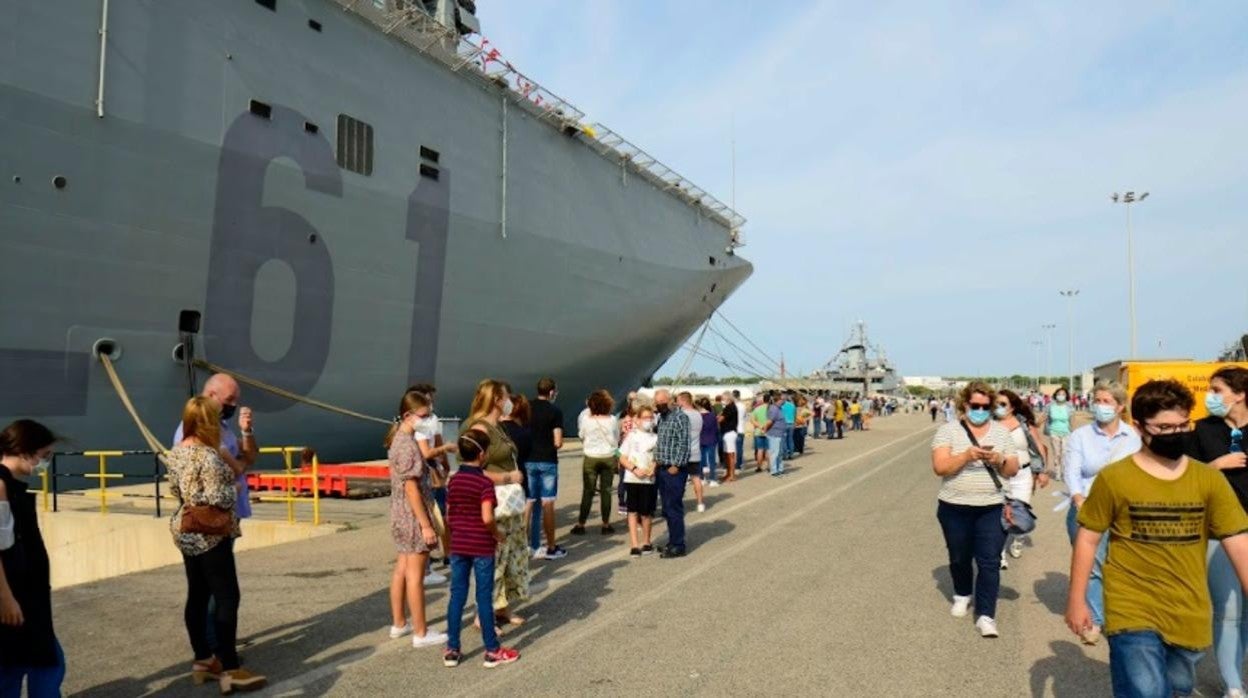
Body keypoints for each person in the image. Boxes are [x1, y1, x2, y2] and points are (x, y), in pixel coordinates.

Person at [1066, 379, 1248, 698]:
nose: (1175, 434)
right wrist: (1077, 599)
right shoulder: (1115, 478)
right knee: (1146, 690)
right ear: (1139, 428)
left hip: (1187, 608)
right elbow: (1088, 538)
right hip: (1130, 604)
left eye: (1182, 425)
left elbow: (1237, 541)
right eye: (1163, 428)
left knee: (1177, 684)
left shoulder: (1208, 480)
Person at [167, 397, 266, 693]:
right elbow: (218, 498)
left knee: (196, 594)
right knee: (227, 597)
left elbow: (175, 488)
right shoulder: (209, 457)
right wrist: (234, 488)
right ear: (209, 422)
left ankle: (202, 660)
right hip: (210, 534)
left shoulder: (177, 452)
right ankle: (231, 668)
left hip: (185, 529)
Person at [930, 381, 1020, 638]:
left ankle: (986, 614)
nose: (979, 410)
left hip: (991, 506)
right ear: (965, 405)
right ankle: (962, 592)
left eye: (984, 406)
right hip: (954, 506)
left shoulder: (1002, 433)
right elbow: (940, 467)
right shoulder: (948, 431)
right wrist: (966, 456)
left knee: (989, 561)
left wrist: (1000, 459)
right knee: (959, 556)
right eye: (974, 405)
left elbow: (1013, 468)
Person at [1186, 367, 1248, 696]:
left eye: (1217, 390)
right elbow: (1187, 479)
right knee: (1229, 611)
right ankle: (1234, 685)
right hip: (1219, 533)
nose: (1210, 396)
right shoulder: (1202, 430)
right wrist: (1216, 466)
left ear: (1239, 394)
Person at [1063, 381, 1140, 646]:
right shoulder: (1080, 436)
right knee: (1093, 566)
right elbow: (1072, 471)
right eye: (1097, 400)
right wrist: (1077, 498)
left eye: (1107, 401)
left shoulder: (1134, 437)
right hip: (1088, 509)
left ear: (1120, 406)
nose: (1101, 406)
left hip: (1124, 512)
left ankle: (1122, 614)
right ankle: (1095, 619)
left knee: (1120, 565)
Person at [442, 430, 520, 669]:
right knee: (484, 598)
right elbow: (487, 517)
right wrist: (497, 534)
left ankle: (452, 649)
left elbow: (447, 514)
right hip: (481, 546)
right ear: (482, 454)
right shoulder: (484, 482)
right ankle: (492, 650)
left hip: (459, 545)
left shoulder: (454, 480)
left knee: (457, 596)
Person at [0, 420, 63, 698]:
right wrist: (6, 599)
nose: (44, 463)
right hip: (17, 595)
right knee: (45, 665)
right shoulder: (1, 486)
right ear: (26, 451)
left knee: (16, 668)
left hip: (25, 593)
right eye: (44, 456)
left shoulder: (9, 484)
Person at [385, 389, 448, 648]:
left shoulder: (397, 440)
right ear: (408, 415)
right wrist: (425, 525)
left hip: (399, 513)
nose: (428, 419)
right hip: (412, 515)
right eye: (425, 415)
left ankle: (400, 623)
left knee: (402, 569)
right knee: (415, 574)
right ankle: (421, 632)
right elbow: (411, 488)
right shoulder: (408, 446)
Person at [466, 380, 530, 627]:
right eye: (505, 397)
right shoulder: (479, 429)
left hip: (509, 503)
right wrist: (507, 477)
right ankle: (483, 614)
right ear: (496, 399)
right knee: (493, 558)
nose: (509, 401)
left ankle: (502, 607)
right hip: (492, 502)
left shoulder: (498, 426)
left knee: (510, 556)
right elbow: (470, 469)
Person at [994, 389, 1048, 569]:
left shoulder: (1023, 424)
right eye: (996, 404)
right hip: (999, 476)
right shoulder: (990, 425)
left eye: (1003, 404)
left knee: (1019, 513)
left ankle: (1017, 539)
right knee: (999, 515)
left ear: (1012, 406)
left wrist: (1042, 471)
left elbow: (1037, 447)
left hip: (1022, 475)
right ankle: (999, 554)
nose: (998, 407)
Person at [410, 382, 454, 577]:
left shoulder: (412, 422)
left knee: (433, 516)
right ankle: (434, 563)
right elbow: (434, 447)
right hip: (428, 474)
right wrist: (445, 458)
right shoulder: (427, 421)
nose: (432, 403)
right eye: (429, 399)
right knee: (435, 516)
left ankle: (442, 556)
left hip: (429, 472)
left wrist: (444, 463)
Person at [525, 378, 567, 561]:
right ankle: (550, 546)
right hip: (547, 460)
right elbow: (558, 441)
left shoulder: (526, 408)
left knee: (529, 503)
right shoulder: (555, 411)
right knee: (547, 503)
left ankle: (527, 545)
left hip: (528, 459)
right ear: (551, 392)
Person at [573, 390, 620, 534]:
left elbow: (581, 435)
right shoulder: (612, 420)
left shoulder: (586, 420)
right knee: (606, 491)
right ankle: (606, 524)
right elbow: (616, 438)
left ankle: (581, 524)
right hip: (608, 457)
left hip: (591, 457)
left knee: (588, 491)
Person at [653, 390, 690, 558]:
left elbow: (684, 443)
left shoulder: (680, 417)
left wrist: (676, 465)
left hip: (674, 469)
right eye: (656, 402)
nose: (658, 405)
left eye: (661, 402)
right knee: (667, 508)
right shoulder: (662, 418)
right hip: (662, 469)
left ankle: (678, 544)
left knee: (674, 507)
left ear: (669, 401)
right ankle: (672, 540)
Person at [620, 406, 659, 557]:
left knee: (646, 512)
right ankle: (634, 544)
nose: (648, 421)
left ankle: (647, 541)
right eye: (645, 418)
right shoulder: (631, 436)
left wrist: (653, 468)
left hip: (649, 479)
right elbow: (621, 455)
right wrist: (634, 468)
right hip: (632, 478)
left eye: (650, 418)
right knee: (632, 511)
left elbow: (657, 457)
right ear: (638, 419)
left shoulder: (655, 437)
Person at [499, 392, 533, 552]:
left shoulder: (493, 430)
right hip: (518, 479)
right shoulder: (524, 432)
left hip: (495, 482)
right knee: (518, 521)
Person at [678, 392, 707, 513]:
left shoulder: (681, 415)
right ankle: (700, 503)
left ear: (683, 401)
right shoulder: (698, 414)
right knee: (696, 478)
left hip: (683, 452)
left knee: (680, 481)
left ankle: (678, 504)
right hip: (695, 451)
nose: (677, 403)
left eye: (678, 400)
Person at [1045, 387, 1073, 481]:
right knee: (1057, 454)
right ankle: (1058, 473)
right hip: (1054, 432)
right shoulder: (1050, 406)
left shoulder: (1069, 406)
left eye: (1063, 394)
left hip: (1066, 433)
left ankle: (1065, 473)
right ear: (1055, 395)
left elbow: (1071, 419)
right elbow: (1045, 417)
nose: (1061, 396)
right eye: (1059, 394)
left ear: (1066, 396)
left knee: (1065, 453)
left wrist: (1073, 431)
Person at [696, 396, 719, 488]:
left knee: (701, 460)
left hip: (700, 439)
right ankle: (712, 479)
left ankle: (702, 478)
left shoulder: (698, 416)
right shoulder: (712, 415)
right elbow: (716, 429)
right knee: (711, 461)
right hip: (711, 439)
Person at [717, 391, 739, 482]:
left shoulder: (730, 407)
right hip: (728, 432)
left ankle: (732, 475)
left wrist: (717, 418)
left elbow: (720, 419)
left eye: (723, 399)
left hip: (729, 432)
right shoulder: (729, 407)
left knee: (730, 455)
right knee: (726, 454)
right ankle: (728, 473)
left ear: (728, 398)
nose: (722, 400)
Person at [765, 393, 787, 477]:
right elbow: (769, 421)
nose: (784, 400)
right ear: (778, 400)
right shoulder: (774, 409)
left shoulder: (779, 408)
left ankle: (780, 469)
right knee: (775, 453)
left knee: (779, 453)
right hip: (775, 434)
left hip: (780, 434)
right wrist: (765, 430)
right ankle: (774, 471)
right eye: (783, 399)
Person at [751, 397, 770, 472]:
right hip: (769, 431)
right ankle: (769, 466)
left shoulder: (757, 409)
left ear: (763, 400)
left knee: (760, 450)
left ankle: (759, 466)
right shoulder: (771, 409)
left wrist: (760, 426)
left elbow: (752, 420)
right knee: (768, 450)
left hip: (758, 432)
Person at [781, 393, 797, 459]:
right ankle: (791, 454)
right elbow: (795, 414)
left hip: (784, 424)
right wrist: (794, 422)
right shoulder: (792, 405)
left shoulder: (781, 406)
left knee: (783, 440)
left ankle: (785, 454)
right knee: (790, 439)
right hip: (791, 423)